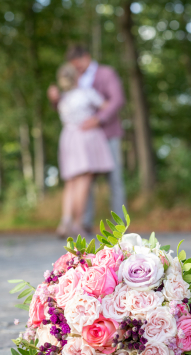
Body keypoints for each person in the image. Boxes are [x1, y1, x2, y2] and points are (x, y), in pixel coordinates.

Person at [48, 44, 126, 232]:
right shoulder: (74, 81)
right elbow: (65, 107)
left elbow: (117, 100)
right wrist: (55, 99)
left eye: (78, 64)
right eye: (73, 66)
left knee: (114, 180)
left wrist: (98, 119)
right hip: (84, 138)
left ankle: (120, 227)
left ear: (86, 57)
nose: (77, 69)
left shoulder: (106, 73)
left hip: (107, 134)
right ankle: (83, 223)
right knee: (85, 179)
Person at [55, 62, 114, 238]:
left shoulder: (63, 99)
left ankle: (65, 220)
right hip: (85, 138)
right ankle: (77, 223)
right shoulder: (86, 94)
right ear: (77, 77)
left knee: (70, 183)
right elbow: (106, 107)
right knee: (83, 182)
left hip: (68, 138)